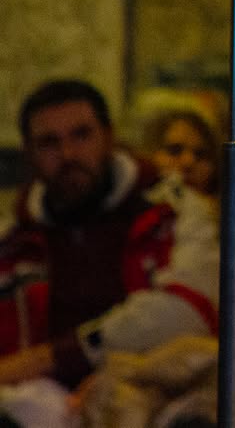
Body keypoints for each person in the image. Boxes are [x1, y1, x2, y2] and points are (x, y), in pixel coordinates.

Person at [0, 81, 218, 426]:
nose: (68, 154)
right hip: (42, 402)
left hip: (161, 388)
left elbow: (186, 312)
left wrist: (55, 358)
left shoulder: (172, 210)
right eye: (49, 143)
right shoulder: (14, 241)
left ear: (109, 137)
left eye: (81, 135)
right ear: (29, 154)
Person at [141, 98, 235, 247]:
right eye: (175, 150)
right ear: (151, 153)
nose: (188, 162)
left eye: (201, 154)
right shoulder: (137, 204)